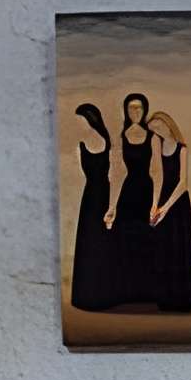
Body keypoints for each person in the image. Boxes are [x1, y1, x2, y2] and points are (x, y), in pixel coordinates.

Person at [105, 91, 159, 306]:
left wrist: (156, 202)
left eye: (139, 107)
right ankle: (126, 290)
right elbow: (118, 172)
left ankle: (147, 291)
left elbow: (156, 170)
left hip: (146, 190)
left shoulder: (152, 137)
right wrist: (112, 206)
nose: (135, 111)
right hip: (129, 191)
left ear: (145, 110)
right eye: (131, 108)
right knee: (125, 240)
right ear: (125, 111)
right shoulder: (121, 137)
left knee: (146, 240)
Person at [145, 112, 191, 313]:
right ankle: (165, 298)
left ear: (168, 124)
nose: (157, 131)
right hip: (163, 201)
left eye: (158, 127)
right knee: (163, 249)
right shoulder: (157, 146)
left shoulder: (182, 149)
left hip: (178, 204)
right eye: (153, 130)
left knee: (179, 248)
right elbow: (157, 177)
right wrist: (154, 205)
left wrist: (166, 208)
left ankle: (183, 299)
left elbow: (183, 183)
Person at [66, 101, 120, 312]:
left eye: (80, 119)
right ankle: (94, 294)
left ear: (89, 119)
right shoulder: (92, 142)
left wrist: (113, 204)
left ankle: (95, 294)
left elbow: (112, 173)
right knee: (93, 242)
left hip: (96, 195)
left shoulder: (99, 142)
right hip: (95, 194)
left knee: (97, 243)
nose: (78, 124)